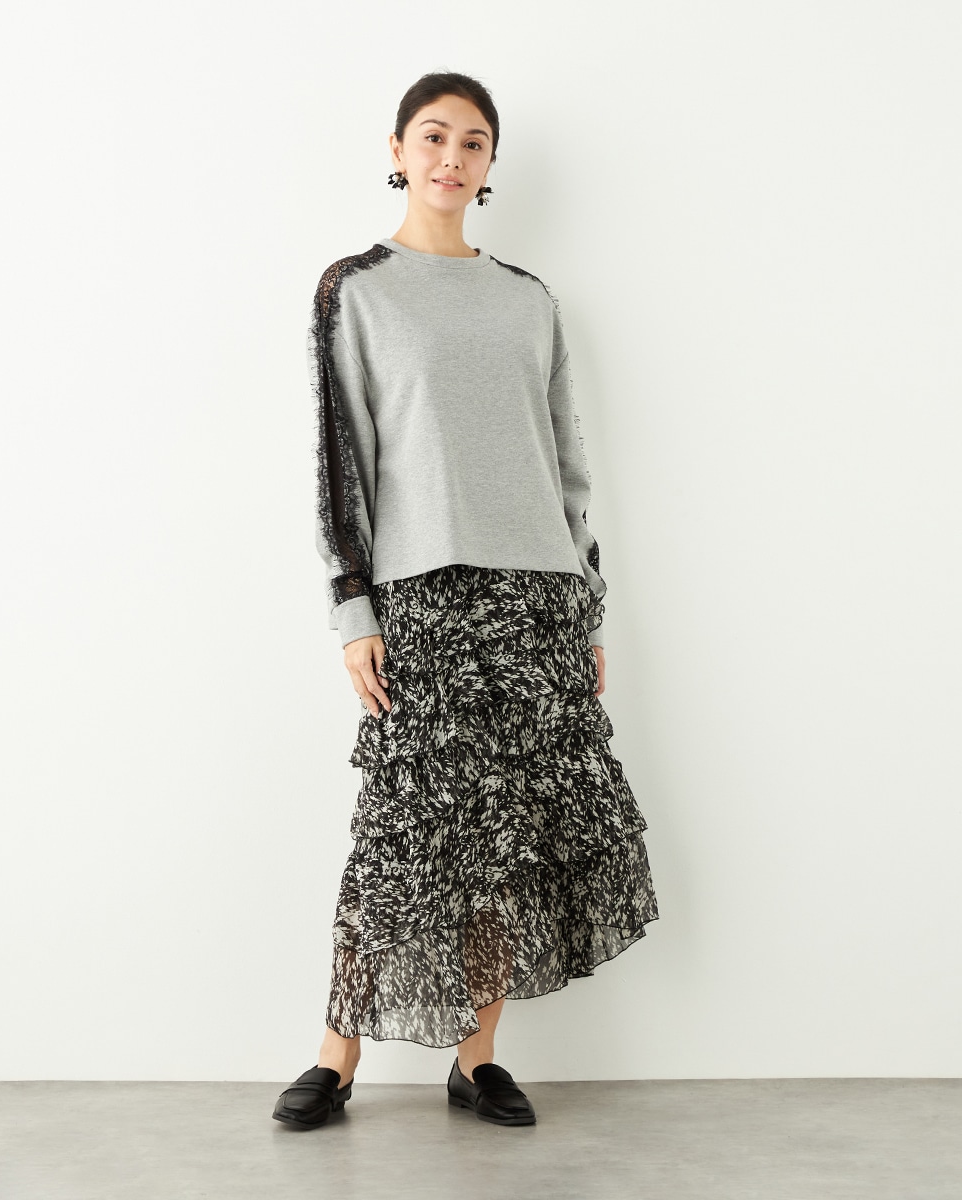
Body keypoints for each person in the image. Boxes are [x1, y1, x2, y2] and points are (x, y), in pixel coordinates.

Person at [272, 71, 659, 1131]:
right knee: (400, 833)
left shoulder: (530, 299)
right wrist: (354, 610)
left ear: (490, 165)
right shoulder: (356, 289)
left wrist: (586, 605)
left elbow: (567, 467)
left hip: (538, 596)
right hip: (424, 594)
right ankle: (336, 1057)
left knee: (509, 836)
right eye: (434, 136)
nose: (452, 157)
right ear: (398, 149)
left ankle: (476, 1058)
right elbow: (340, 464)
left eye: (474, 142)